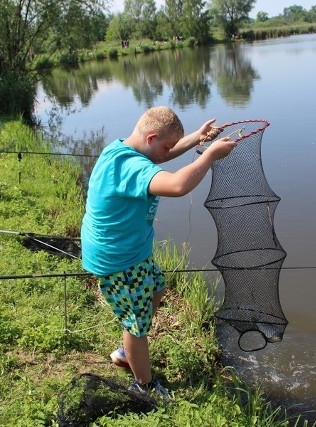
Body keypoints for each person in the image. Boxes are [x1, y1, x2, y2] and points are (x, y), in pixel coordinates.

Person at [80, 106, 237, 399]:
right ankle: (143, 384)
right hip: (119, 258)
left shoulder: (121, 151)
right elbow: (177, 185)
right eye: (167, 146)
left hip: (129, 250)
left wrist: (195, 139)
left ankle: (130, 348)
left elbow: (160, 155)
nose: (168, 153)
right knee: (136, 322)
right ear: (151, 137)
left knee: (158, 289)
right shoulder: (132, 167)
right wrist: (210, 154)